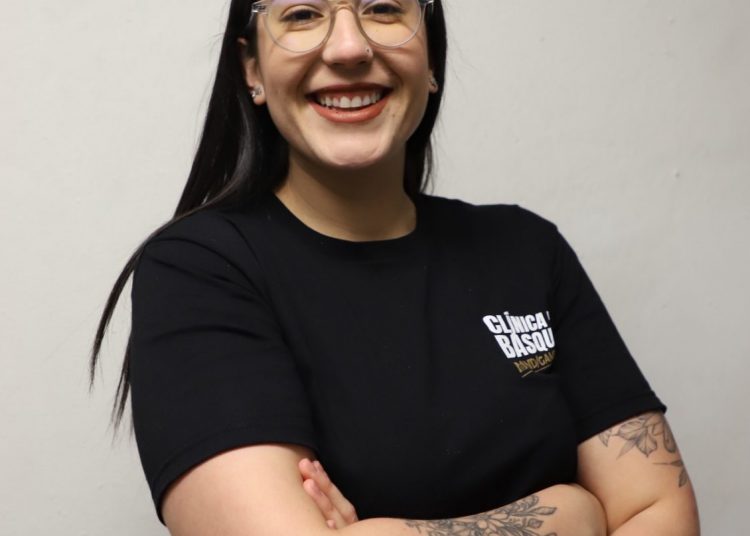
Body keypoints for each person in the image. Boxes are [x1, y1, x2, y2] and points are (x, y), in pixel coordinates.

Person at [89, 0, 700, 534]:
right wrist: (571, 515)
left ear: (430, 55)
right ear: (251, 68)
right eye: (302, 14)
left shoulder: (526, 249)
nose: (349, 47)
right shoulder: (201, 271)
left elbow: (662, 512)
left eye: (383, 8)